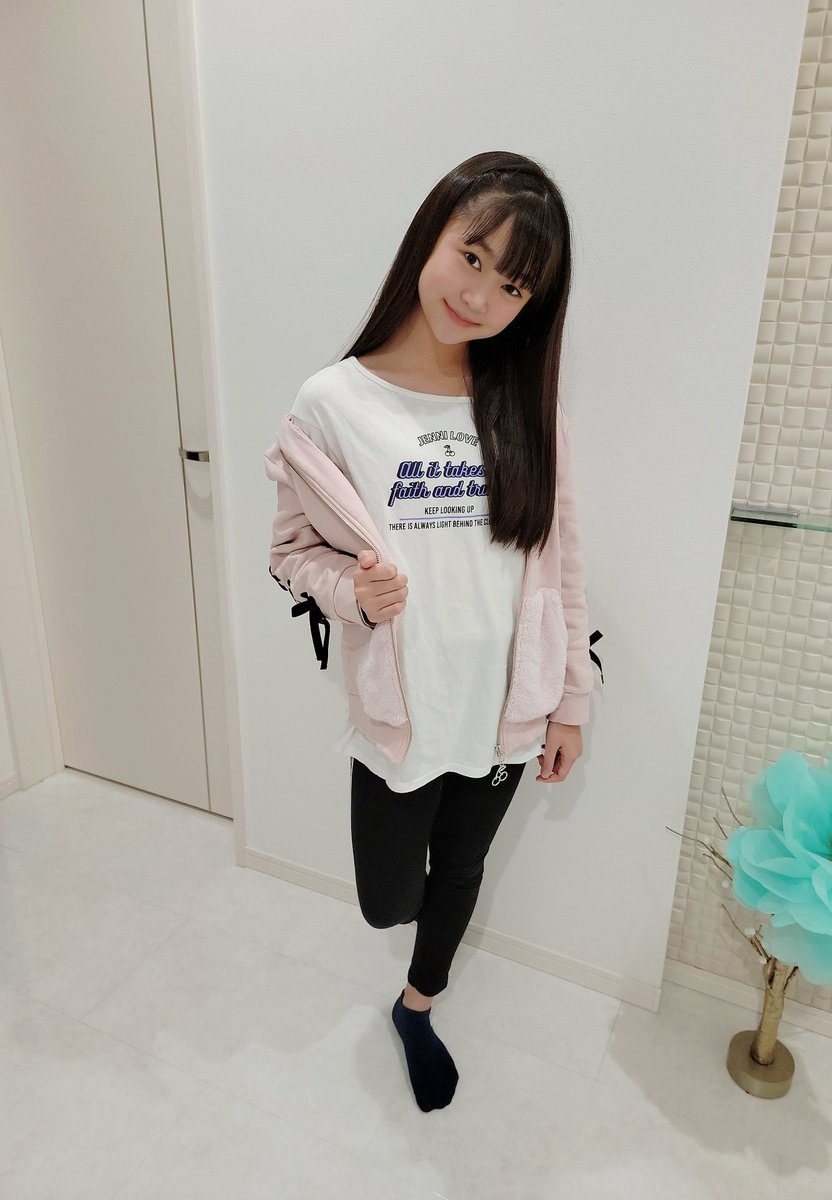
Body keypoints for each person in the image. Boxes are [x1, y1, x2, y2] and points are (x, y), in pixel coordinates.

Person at [264, 150, 600, 1113]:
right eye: (473, 256)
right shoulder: (332, 402)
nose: (481, 296)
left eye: (514, 285)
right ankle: (407, 957)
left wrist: (570, 703)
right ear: (432, 235)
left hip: (506, 712)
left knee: (461, 869)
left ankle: (418, 1007)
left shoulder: (525, 405)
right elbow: (290, 555)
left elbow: (562, 569)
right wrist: (355, 594)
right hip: (403, 713)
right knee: (388, 899)